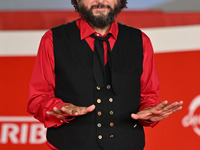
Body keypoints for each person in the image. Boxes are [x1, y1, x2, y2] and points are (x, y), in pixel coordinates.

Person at [27, 0, 183, 149]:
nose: (100, 1)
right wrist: (61, 108)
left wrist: (148, 113)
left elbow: (148, 96)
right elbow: (38, 98)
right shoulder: (53, 40)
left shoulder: (140, 41)